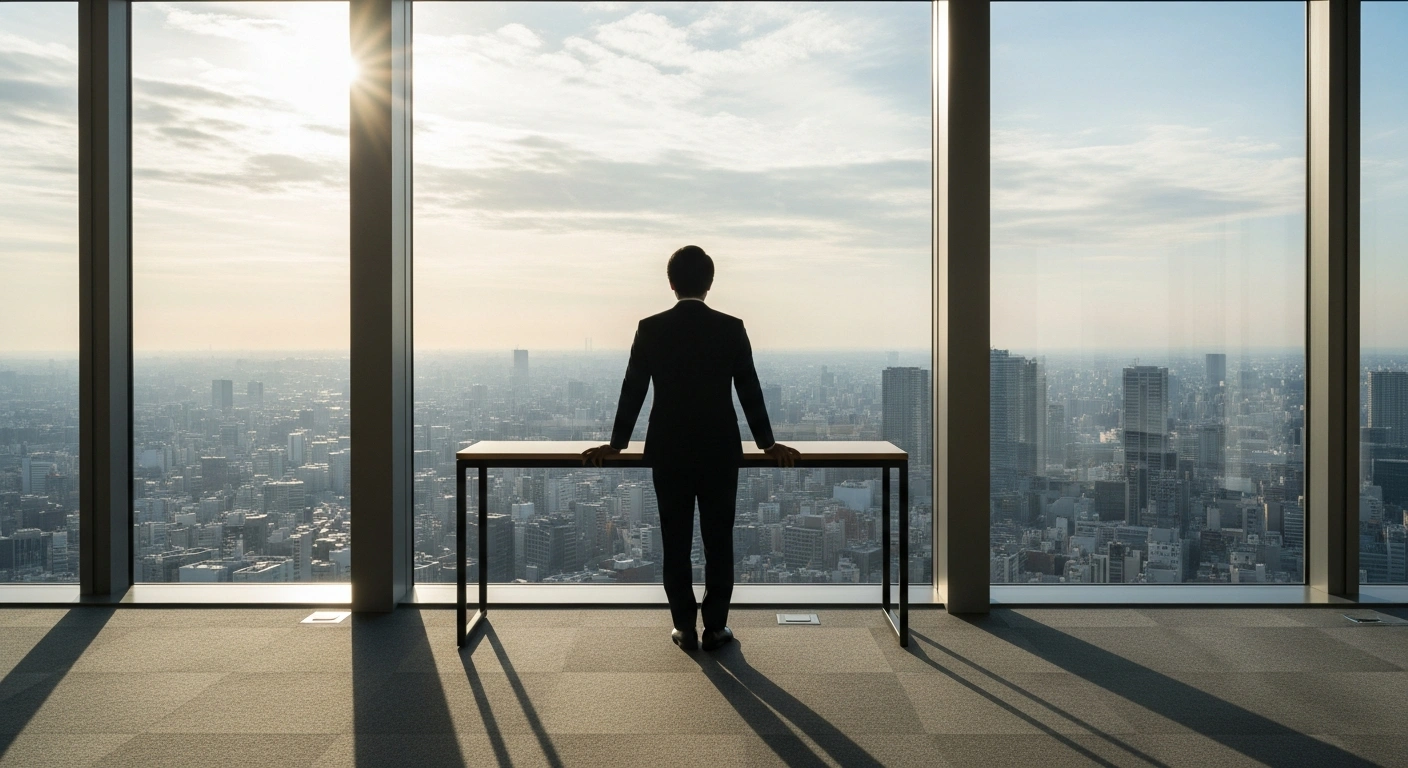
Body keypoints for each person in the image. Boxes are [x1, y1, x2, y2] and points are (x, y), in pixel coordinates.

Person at [583, 245, 799, 651]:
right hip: (720, 450)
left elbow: (633, 391)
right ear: (710, 282)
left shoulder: (650, 328)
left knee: (675, 541)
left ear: (671, 282)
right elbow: (749, 391)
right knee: (719, 541)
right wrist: (768, 444)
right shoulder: (731, 328)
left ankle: (684, 626)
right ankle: (716, 627)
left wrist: (616, 444)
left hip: (670, 450)